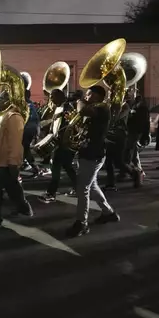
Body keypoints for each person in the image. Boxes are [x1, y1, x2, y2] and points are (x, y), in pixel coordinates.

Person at [66, 85, 119, 237]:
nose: (86, 97)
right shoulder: (96, 109)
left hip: (93, 153)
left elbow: (83, 110)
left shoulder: (102, 108)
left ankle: (81, 223)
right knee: (92, 185)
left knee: (83, 188)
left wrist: (80, 102)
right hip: (88, 151)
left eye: (89, 94)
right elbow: (86, 128)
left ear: (96, 96)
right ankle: (109, 212)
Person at [0, 91, 33, 232]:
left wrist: (13, 164)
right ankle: (24, 208)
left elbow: (15, 143)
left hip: (2, 162)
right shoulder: (0, 115)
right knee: (12, 187)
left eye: (0, 99)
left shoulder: (14, 117)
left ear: (9, 101)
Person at [38, 89, 77, 203]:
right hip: (59, 143)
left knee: (56, 167)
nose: (51, 99)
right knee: (66, 167)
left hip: (63, 144)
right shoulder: (58, 107)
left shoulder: (68, 108)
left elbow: (69, 127)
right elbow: (55, 124)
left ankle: (51, 193)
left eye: (53, 97)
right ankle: (78, 187)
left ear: (60, 96)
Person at [104, 95, 142, 190]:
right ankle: (110, 183)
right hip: (108, 134)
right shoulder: (110, 105)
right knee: (108, 161)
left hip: (119, 135)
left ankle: (135, 173)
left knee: (118, 162)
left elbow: (115, 118)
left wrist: (110, 107)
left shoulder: (125, 106)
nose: (111, 95)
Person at [122, 91, 150, 177]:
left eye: (128, 93)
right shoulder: (131, 104)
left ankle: (128, 172)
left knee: (128, 151)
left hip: (135, 131)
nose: (127, 95)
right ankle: (139, 171)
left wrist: (145, 134)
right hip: (130, 131)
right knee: (133, 152)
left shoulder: (140, 106)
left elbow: (145, 121)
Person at [22, 89, 41, 177]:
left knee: (25, 149)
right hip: (30, 129)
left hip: (27, 129)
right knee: (24, 149)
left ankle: (35, 168)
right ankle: (26, 164)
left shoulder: (26, 105)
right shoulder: (30, 104)